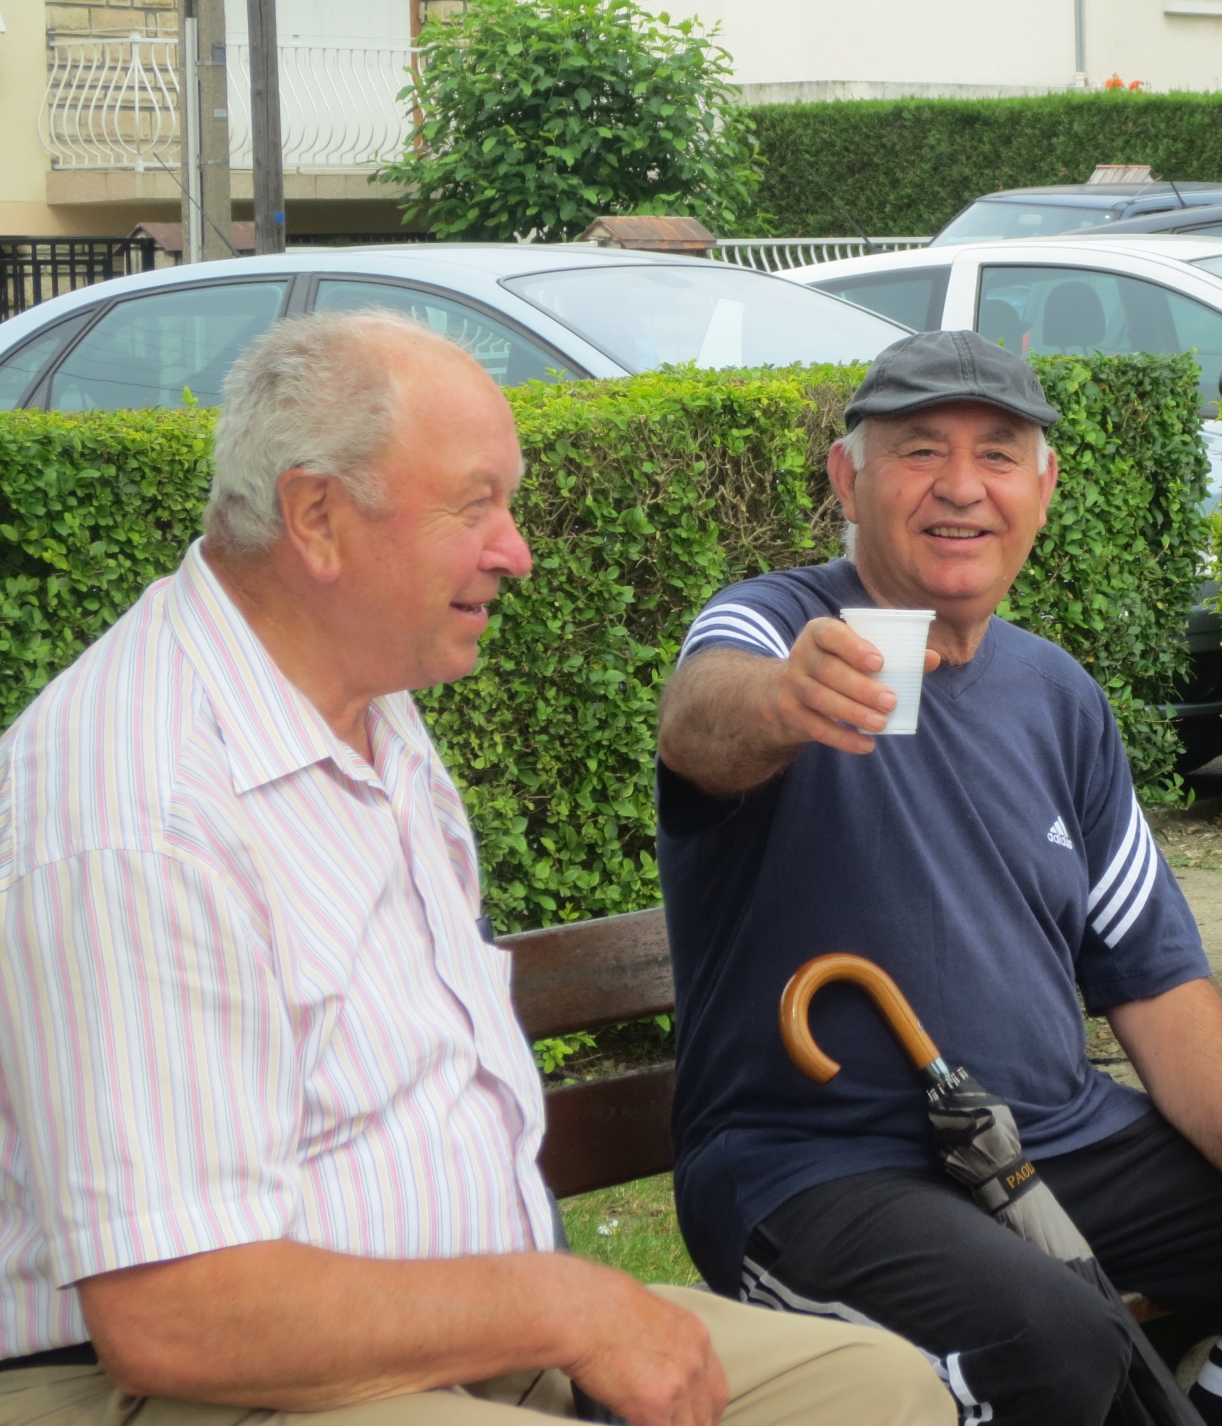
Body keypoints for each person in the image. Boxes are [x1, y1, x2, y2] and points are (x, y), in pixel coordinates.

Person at [0, 311, 953, 1426]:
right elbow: (174, 1319)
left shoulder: (367, 699)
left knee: (884, 1393)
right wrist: (561, 1309)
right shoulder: (140, 810)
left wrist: (543, 1309)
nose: (517, 551)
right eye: (475, 505)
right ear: (317, 516)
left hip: (470, 1333)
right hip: (201, 1377)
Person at [654, 329, 1222, 1426]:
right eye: (920, 450)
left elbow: (1154, 976)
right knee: (1049, 1342)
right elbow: (700, 723)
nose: (961, 487)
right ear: (847, 477)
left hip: (1051, 1143)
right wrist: (786, 700)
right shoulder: (779, 626)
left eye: (998, 454)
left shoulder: (1056, 696)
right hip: (817, 1169)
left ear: (1044, 486)